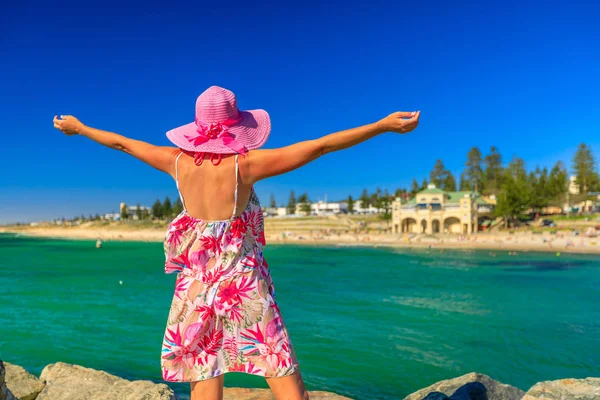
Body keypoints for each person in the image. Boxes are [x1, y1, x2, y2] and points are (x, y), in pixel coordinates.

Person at [53, 86, 420, 400]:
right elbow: (319, 147)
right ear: (237, 126)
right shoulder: (245, 166)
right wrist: (381, 126)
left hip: (195, 283)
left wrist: (80, 127)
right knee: (277, 360)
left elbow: (122, 144)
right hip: (243, 281)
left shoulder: (175, 162)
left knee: (205, 364)